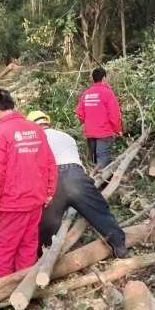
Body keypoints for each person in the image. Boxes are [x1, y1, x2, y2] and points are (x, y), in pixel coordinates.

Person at [26, 110, 128, 258]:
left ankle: (41, 256)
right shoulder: (66, 136)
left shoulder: (34, 140)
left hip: (53, 179)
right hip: (76, 175)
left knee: (47, 223)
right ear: (47, 122)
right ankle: (120, 246)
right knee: (99, 212)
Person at [0, 89, 57, 278]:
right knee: (27, 245)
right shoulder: (35, 129)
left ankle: (4, 291)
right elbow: (49, 162)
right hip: (35, 201)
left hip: (12, 203)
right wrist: (49, 191)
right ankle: (24, 286)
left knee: (4, 247)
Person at [75, 67, 122, 171]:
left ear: (93, 79)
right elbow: (114, 115)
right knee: (103, 162)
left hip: (90, 132)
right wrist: (118, 129)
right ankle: (103, 184)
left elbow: (79, 113)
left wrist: (88, 123)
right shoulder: (108, 93)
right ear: (104, 78)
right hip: (104, 132)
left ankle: (93, 184)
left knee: (93, 161)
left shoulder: (86, 94)